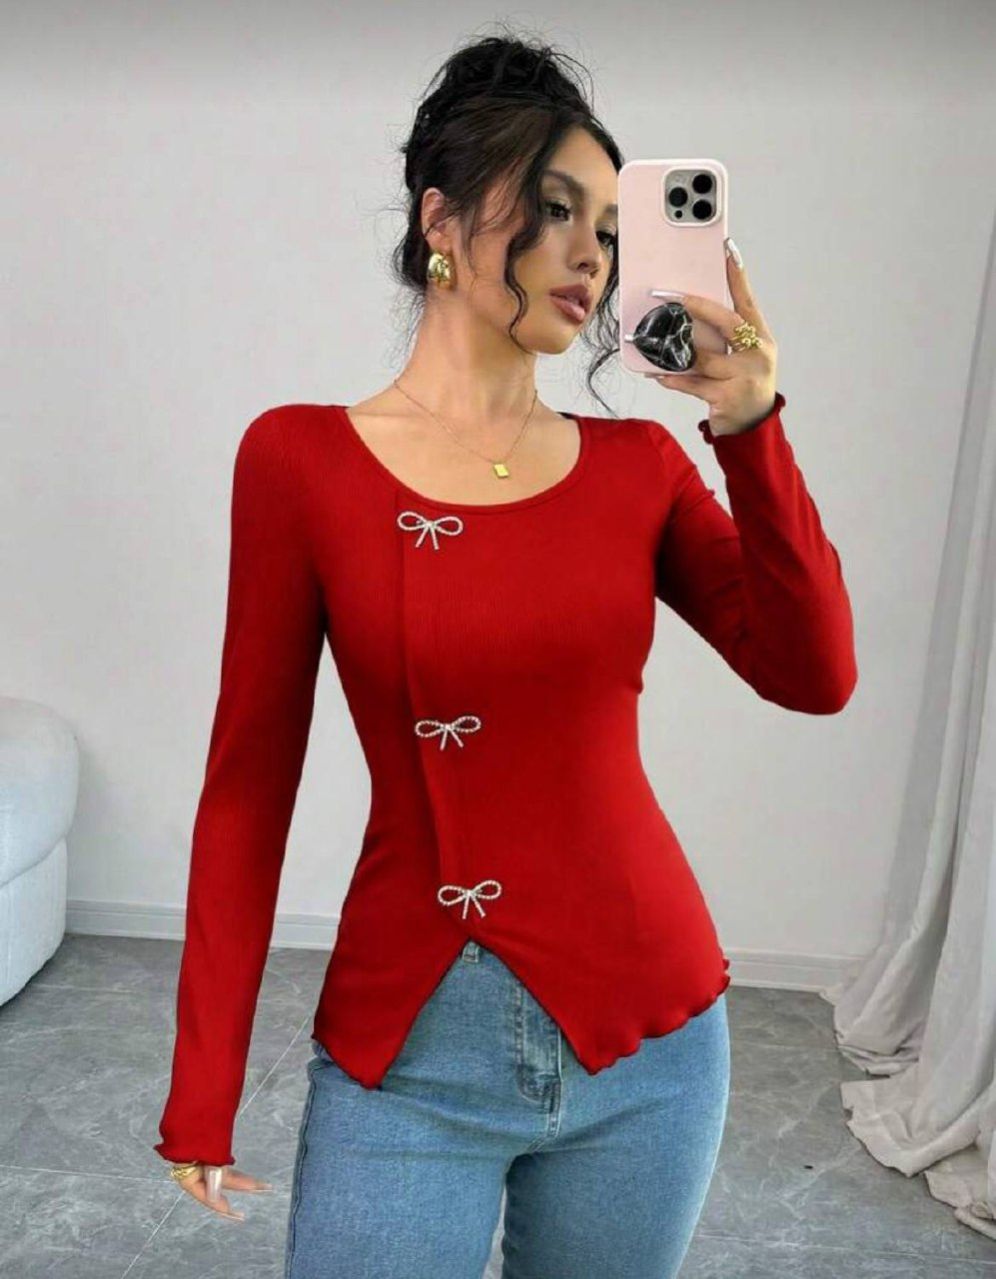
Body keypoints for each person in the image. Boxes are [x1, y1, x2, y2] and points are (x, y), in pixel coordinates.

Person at [154, 26, 857, 1279]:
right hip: (410, 1057)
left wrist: (748, 419)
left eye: (611, 228)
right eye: (556, 207)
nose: (592, 254)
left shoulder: (638, 467)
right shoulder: (298, 460)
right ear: (442, 216)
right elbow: (249, 786)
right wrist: (202, 1088)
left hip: (651, 1050)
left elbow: (815, 675)